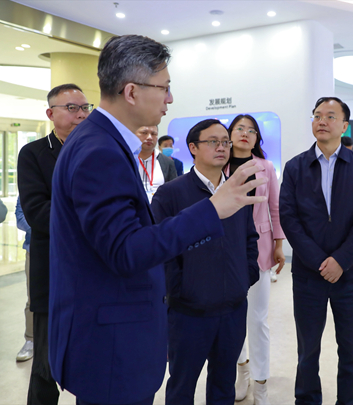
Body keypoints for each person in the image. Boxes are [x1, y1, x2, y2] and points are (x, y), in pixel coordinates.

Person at [48, 34, 267, 405]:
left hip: (109, 336)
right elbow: (125, 251)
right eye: (164, 88)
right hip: (112, 345)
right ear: (132, 92)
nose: (170, 99)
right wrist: (212, 209)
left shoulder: (97, 140)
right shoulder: (100, 150)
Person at [151, 119, 260, 405]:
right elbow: (160, 249)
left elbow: (250, 238)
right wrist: (180, 289)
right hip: (189, 312)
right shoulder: (171, 193)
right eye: (213, 142)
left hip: (233, 307)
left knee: (224, 386)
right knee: (182, 386)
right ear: (193, 148)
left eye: (225, 142)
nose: (221, 147)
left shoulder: (238, 189)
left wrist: (245, 277)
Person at [280, 97, 353, 405]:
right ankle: (307, 400)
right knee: (307, 350)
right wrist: (320, 261)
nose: (322, 121)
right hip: (309, 275)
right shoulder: (295, 167)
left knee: (352, 350)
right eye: (317, 115)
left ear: (344, 125)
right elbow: (289, 218)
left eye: (330, 116)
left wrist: (341, 260)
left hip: (350, 274)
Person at [17, 83, 92, 405]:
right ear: (51, 113)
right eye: (72, 108)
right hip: (52, 269)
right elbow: (38, 213)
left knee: (91, 361)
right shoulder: (33, 154)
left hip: (94, 270)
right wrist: (92, 217)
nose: (81, 114)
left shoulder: (97, 150)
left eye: (85, 107)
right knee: (46, 366)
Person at [225, 114, 286, 405]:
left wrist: (278, 244)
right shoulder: (220, 165)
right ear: (230, 134)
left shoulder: (266, 167)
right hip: (226, 248)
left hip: (258, 247)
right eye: (240, 128)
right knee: (232, 316)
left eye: (251, 130)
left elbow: (275, 207)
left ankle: (261, 383)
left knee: (258, 319)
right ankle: (243, 372)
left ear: (257, 138)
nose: (245, 133)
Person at [136, 125, 177, 202]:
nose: (149, 137)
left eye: (153, 134)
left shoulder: (167, 162)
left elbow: (174, 192)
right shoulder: (126, 159)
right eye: (144, 133)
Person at [15, 196, 34, 363]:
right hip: (34, 249)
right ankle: (31, 340)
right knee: (33, 298)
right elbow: (20, 218)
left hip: (64, 249)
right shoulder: (29, 185)